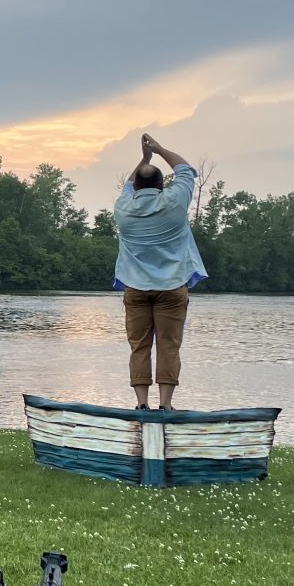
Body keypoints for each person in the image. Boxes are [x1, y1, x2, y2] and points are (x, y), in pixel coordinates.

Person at [114, 133, 207, 410]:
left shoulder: (124, 209)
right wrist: (159, 149)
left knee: (139, 346)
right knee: (169, 346)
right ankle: (165, 406)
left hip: (136, 288)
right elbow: (185, 170)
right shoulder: (175, 202)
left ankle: (142, 404)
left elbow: (128, 186)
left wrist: (144, 158)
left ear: (136, 186)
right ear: (162, 185)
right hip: (172, 287)